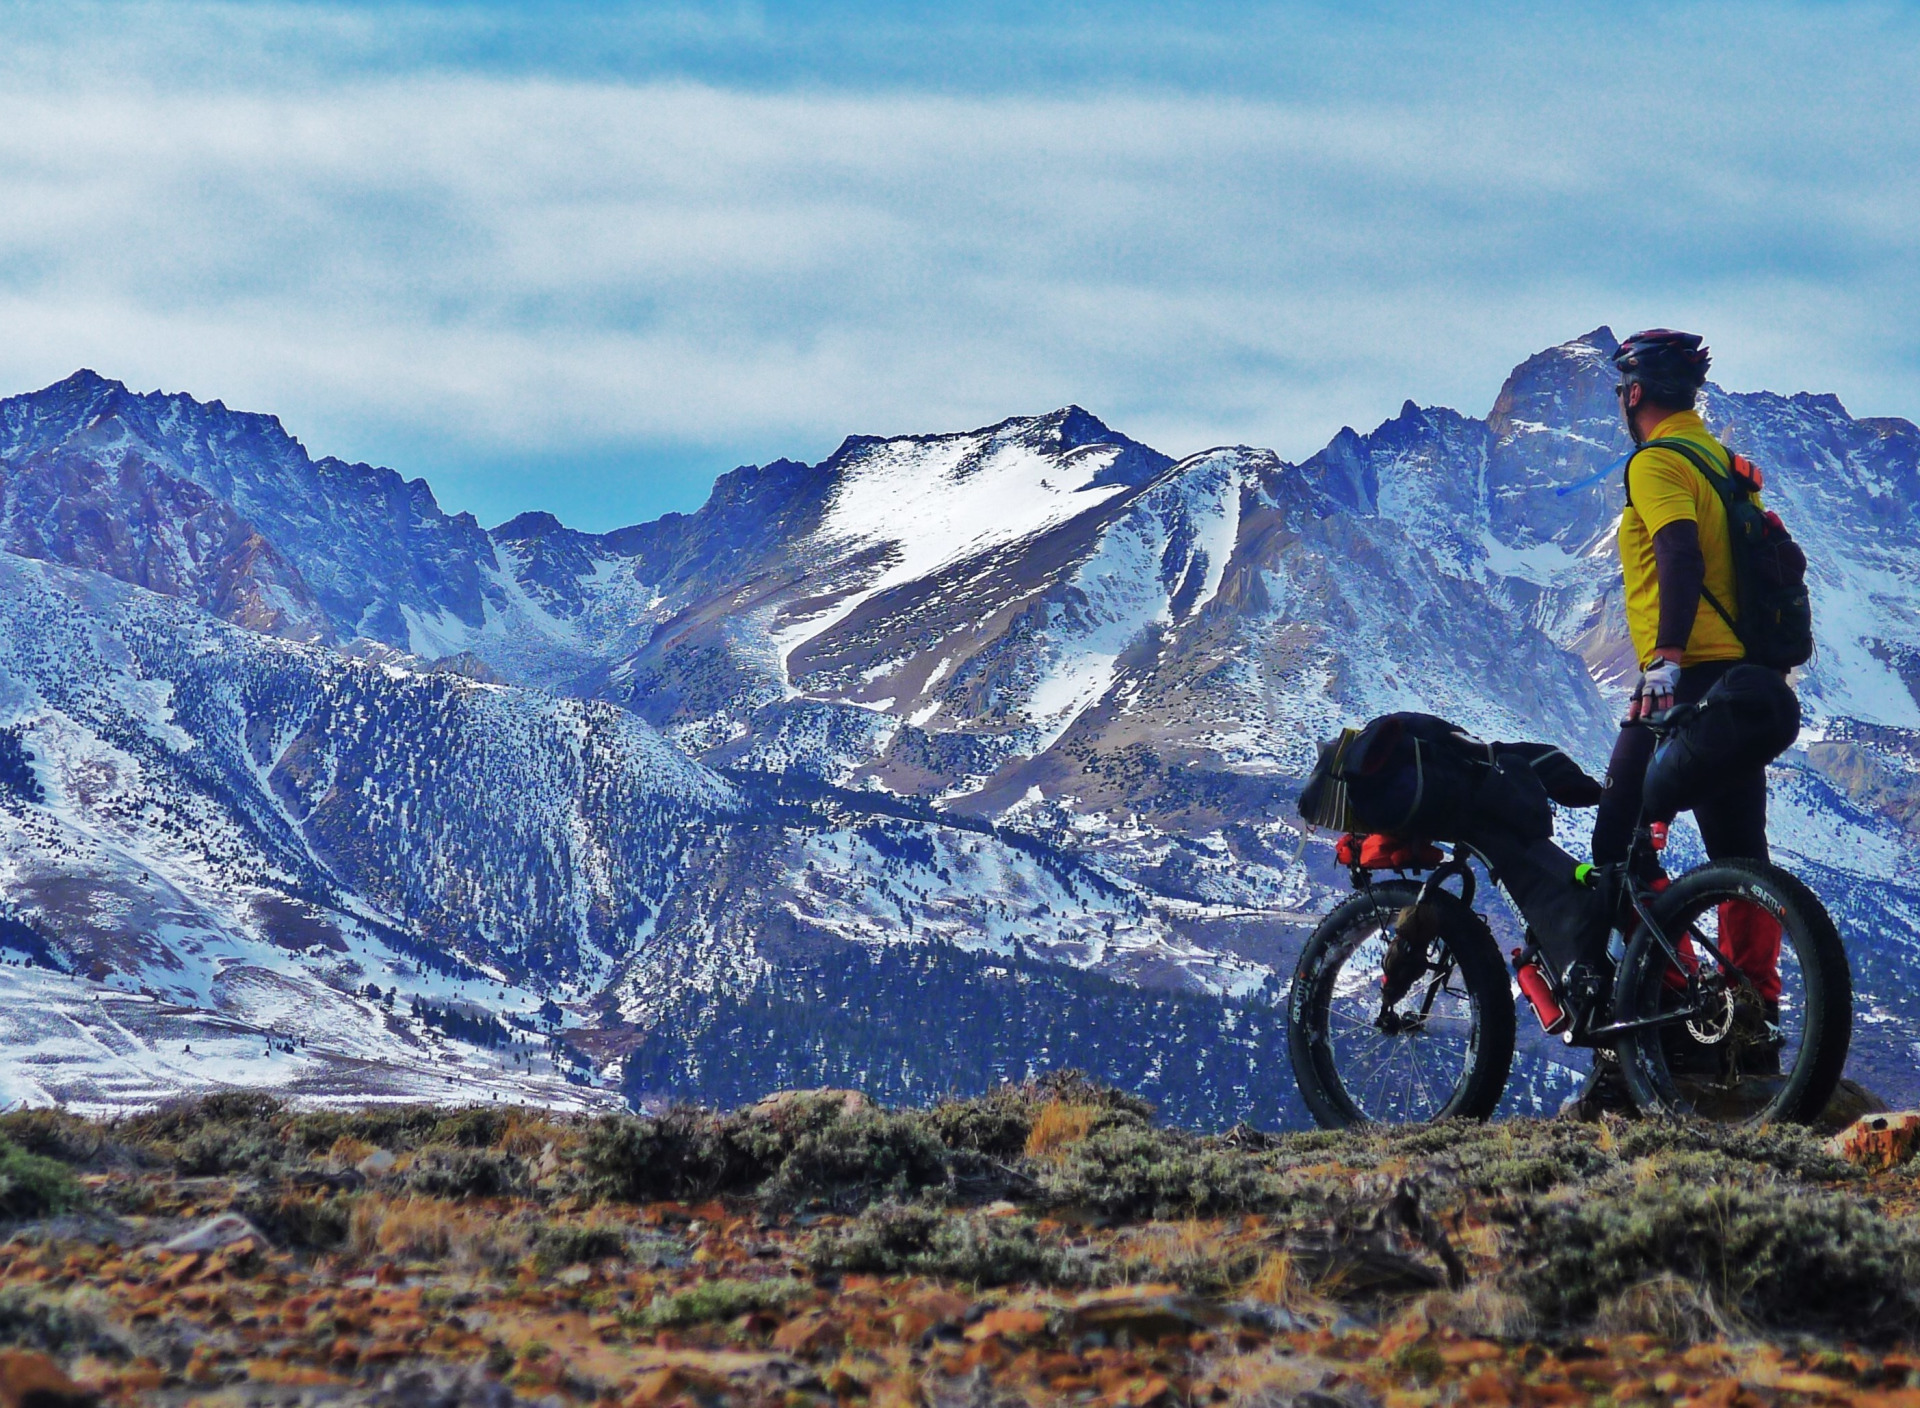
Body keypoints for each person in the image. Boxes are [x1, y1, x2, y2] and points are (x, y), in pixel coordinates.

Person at [1568, 328, 1788, 1115]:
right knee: (1739, 853)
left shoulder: (1657, 462)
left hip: (1686, 679)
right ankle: (1749, 1014)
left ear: (1634, 394)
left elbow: (1680, 557)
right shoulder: (1728, 467)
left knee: (1615, 845)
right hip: (1739, 683)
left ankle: (1659, 1008)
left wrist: (1661, 661)